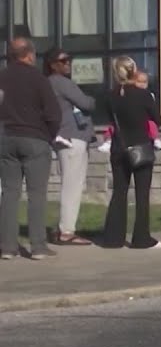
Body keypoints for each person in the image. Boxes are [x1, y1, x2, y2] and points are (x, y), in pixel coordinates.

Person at [0, 36, 60, 260]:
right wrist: (49, 136)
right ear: (29, 54)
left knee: (9, 193)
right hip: (35, 138)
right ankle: (38, 246)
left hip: (6, 138)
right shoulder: (39, 79)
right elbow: (53, 114)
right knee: (36, 194)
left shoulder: (2, 77)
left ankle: (7, 247)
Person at [101, 55, 161, 250]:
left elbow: (110, 118)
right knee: (141, 194)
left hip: (119, 147)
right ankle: (141, 238)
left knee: (119, 191)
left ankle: (113, 238)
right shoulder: (142, 95)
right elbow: (157, 119)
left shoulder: (109, 96)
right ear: (133, 70)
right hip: (141, 146)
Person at [44, 47, 96, 245]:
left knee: (70, 183)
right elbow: (87, 103)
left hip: (62, 137)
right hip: (72, 136)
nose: (68, 64)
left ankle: (62, 228)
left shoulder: (49, 83)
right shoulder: (60, 82)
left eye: (69, 60)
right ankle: (67, 231)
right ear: (52, 64)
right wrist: (91, 99)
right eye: (63, 61)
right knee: (72, 185)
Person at [98, 69, 161, 153]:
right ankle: (108, 141)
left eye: (145, 82)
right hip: (141, 142)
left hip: (121, 144)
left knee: (151, 125)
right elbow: (158, 119)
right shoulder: (144, 95)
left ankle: (156, 139)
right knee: (112, 128)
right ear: (133, 80)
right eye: (139, 82)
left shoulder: (113, 95)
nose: (142, 84)